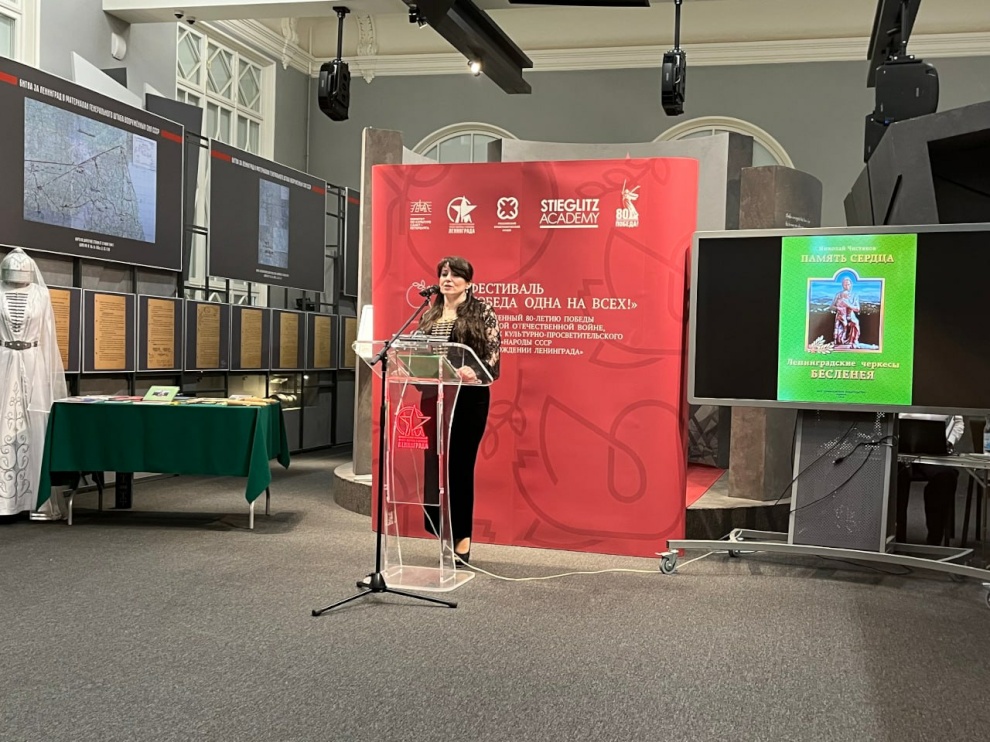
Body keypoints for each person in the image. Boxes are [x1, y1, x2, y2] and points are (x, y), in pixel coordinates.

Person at [418, 256, 500, 565]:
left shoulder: (482, 311)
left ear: (468, 282)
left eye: (455, 275)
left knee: (459, 469)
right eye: (443, 274)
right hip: (434, 397)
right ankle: (441, 532)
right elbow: (417, 354)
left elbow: (493, 358)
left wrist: (474, 371)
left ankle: (462, 540)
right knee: (434, 467)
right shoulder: (430, 313)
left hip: (468, 400)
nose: (447, 279)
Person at [0, 248, 68, 520]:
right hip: (3, 361)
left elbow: (48, 336)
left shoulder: (41, 294)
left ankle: (35, 499)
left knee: (34, 425)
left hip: (32, 363)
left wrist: (47, 375)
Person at [895, 414, 965, 545]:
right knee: (896, 474)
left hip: (935, 455)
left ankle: (935, 538)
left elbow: (958, 423)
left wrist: (949, 441)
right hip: (901, 452)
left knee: (946, 476)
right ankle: (897, 538)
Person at [830, 276, 861, 348]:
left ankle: (854, 340)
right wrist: (839, 308)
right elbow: (832, 306)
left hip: (850, 314)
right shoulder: (838, 294)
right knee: (841, 324)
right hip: (841, 315)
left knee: (856, 323)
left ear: (851, 285)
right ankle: (839, 340)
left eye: (848, 284)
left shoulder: (855, 295)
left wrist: (848, 305)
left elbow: (857, 309)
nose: (847, 286)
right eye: (845, 285)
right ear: (842, 285)